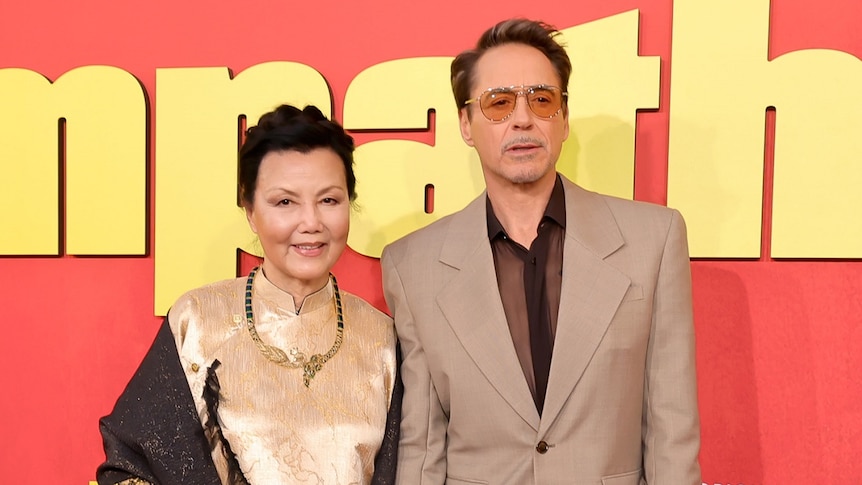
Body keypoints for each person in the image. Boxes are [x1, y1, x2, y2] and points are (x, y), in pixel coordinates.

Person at [381, 19, 700, 485]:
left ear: (564, 119)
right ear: (466, 125)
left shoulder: (653, 240)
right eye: (499, 102)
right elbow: (423, 446)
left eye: (542, 99)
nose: (523, 118)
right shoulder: (413, 265)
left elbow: (672, 429)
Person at [98, 104, 401, 485]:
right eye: (285, 202)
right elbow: (131, 464)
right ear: (250, 211)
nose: (311, 223)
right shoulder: (198, 321)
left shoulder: (382, 339)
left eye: (329, 200)